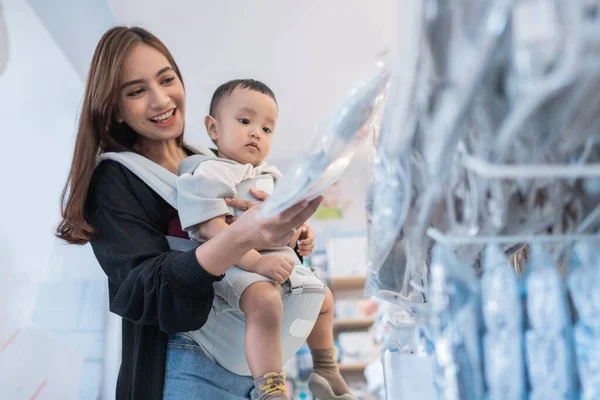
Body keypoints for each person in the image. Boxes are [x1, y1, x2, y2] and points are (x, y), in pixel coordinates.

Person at [56, 26, 322, 400]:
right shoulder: (114, 179)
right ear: (114, 108)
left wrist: (289, 234)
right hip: (182, 371)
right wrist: (239, 237)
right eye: (136, 91)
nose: (160, 99)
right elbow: (144, 291)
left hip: (251, 367)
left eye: (167, 80)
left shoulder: (213, 163)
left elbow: (262, 250)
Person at [176, 79, 355, 400]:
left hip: (273, 260)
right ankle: (270, 386)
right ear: (213, 128)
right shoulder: (207, 172)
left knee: (324, 299)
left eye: (267, 128)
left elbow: (287, 227)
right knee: (264, 301)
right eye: (245, 121)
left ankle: (326, 369)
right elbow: (210, 230)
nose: (256, 132)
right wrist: (257, 261)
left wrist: (302, 235)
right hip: (232, 264)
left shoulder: (274, 178)